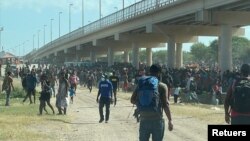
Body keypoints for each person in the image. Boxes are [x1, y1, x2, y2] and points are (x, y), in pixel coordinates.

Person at [131, 64, 173, 141]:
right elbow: (165, 105)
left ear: (149, 72)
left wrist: (141, 104)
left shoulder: (142, 84)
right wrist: (170, 120)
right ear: (159, 73)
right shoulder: (162, 86)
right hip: (157, 119)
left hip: (144, 119)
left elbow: (132, 100)